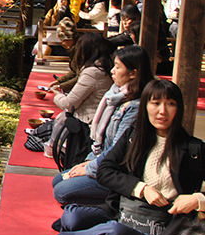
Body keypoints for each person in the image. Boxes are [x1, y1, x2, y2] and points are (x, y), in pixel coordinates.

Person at [39, 79, 205, 235]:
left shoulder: (193, 149)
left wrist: (197, 200)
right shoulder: (134, 137)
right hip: (124, 212)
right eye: (155, 103)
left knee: (115, 232)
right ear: (146, 107)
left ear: (178, 109)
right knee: (73, 216)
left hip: (160, 228)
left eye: (170, 104)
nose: (162, 111)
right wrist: (141, 188)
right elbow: (105, 171)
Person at [51, 46, 153, 206]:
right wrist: (88, 162)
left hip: (116, 172)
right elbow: (104, 144)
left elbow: (117, 150)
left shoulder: (134, 106)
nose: (112, 71)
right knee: (58, 180)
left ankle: (109, 205)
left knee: (61, 191)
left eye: (118, 67)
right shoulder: (115, 95)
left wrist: (89, 168)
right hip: (102, 161)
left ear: (133, 73)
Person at [47, 32, 114, 125]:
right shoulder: (104, 66)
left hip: (88, 123)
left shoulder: (93, 72)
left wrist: (57, 94)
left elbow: (69, 104)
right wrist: (60, 83)